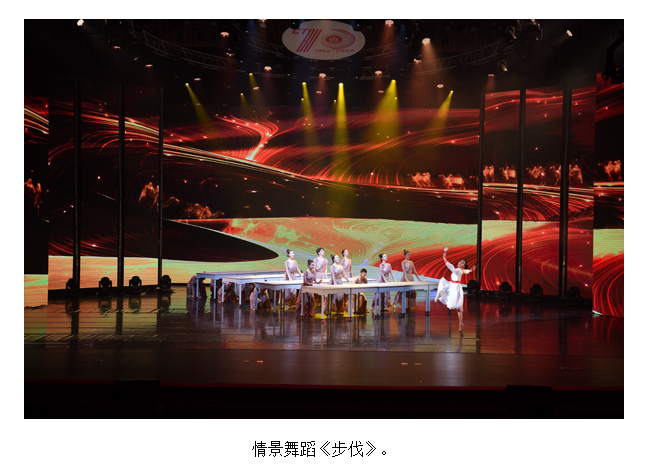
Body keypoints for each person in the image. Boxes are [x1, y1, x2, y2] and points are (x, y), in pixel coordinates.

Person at [435, 247, 476, 331]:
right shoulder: (461, 270)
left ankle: (461, 323)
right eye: (461, 261)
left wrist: (444, 258)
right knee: (443, 282)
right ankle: (439, 294)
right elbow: (467, 271)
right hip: (453, 285)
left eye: (463, 262)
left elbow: (451, 267)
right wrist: (471, 270)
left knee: (458, 307)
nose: (460, 262)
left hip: (455, 288)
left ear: (463, 265)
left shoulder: (458, 270)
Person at [314, 247, 328, 312]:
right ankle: (315, 302)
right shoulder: (315, 259)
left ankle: (323, 303)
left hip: (323, 275)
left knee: (324, 289)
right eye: (322, 251)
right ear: (319, 253)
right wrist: (314, 276)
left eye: (323, 251)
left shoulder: (326, 260)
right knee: (316, 289)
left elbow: (326, 269)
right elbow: (314, 268)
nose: (323, 252)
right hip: (317, 274)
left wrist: (326, 276)